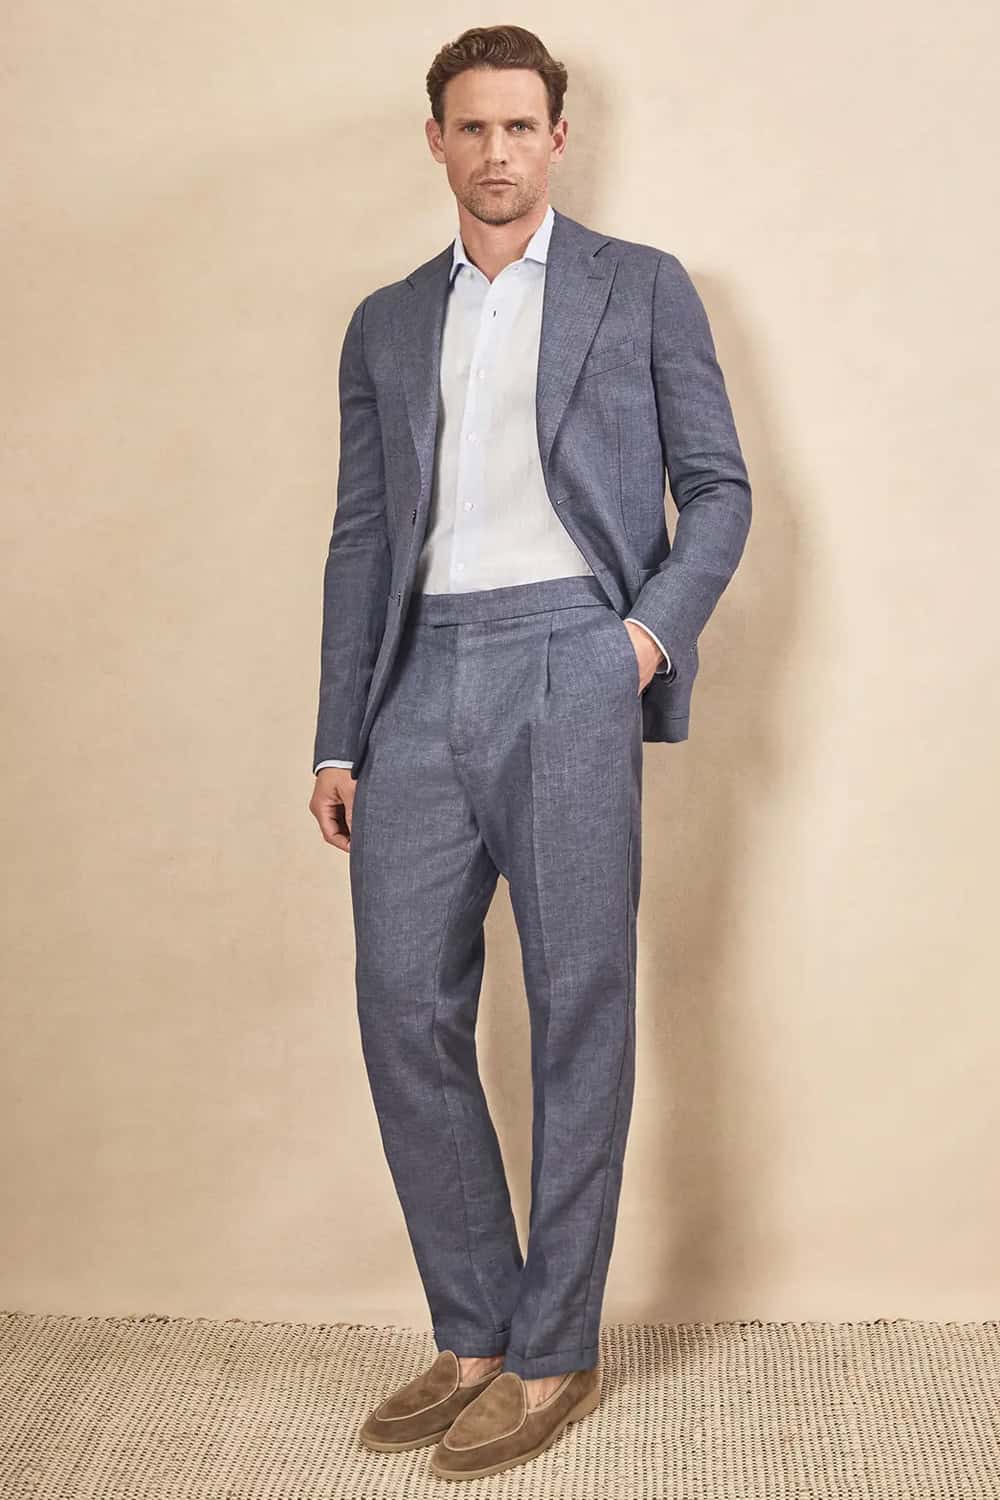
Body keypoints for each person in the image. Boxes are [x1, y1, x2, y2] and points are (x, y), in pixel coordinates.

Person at [307, 23, 751, 1482]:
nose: (496, 151)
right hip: (416, 679)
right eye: (472, 127)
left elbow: (720, 489)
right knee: (401, 1005)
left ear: (559, 137)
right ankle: (476, 1332)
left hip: (573, 653)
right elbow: (363, 537)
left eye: (520, 126)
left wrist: (641, 641)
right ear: (435, 140)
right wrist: (337, 734)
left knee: (577, 1009)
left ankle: (555, 1347)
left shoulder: (642, 286)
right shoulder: (384, 323)